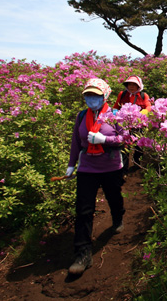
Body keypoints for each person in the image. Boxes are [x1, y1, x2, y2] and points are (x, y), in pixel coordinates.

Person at [65, 78, 127, 275]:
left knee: (114, 197)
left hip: (110, 166)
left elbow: (126, 139)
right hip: (87, 168)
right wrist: (70, 165)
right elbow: (77, 141)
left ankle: (118, 218)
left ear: (105, 96)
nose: (92, 99)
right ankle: (82, 254)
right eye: (88, 95)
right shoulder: (81, 116)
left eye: (96, 96)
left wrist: (105, 139)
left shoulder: (116, 115)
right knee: (83, 210)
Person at [112, 75, 151, 171]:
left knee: (139, 145)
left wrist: (141, 114)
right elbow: (116, 106)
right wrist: (115, 113)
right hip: (125, 125)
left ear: (139, 86)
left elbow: (148, 107)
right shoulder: (122, 94)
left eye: (134, 84)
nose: (131, 86)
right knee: (124, 146)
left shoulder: (143, 95)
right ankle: (124, 168)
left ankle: (136, 165)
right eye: (129, 84)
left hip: (138, 125)